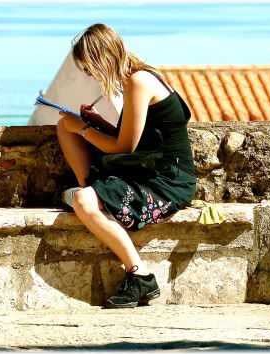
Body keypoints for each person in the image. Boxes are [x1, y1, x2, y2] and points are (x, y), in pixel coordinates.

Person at [57, 23, 196, 308]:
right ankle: (92, 192)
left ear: (101, 60)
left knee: (83, 201)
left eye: (89, 68)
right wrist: (96, 123)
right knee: (63, 126)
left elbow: (124, 147)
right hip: (149, 168)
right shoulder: (140, 78)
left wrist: (82, 130)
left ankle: (140, 276)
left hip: (168, 181)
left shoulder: (139, 81)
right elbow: (134, 139)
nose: (91, 76)